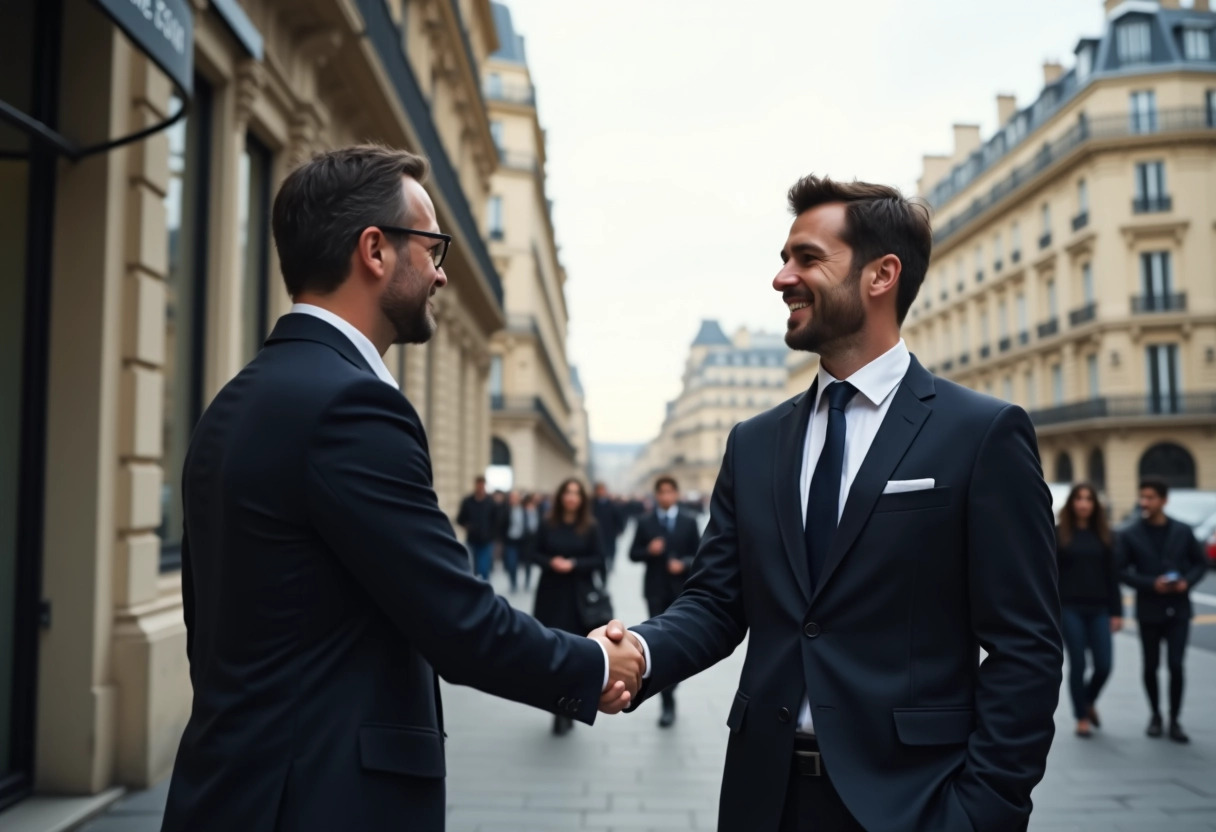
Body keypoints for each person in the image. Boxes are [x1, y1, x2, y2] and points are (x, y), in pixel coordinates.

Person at [160, 145, 643, 832]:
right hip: (319, 800)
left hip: (235, 787)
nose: (443, 274)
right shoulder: (352, 408)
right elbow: (458, 621)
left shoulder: (236, 402)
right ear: (375, 251)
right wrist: (595, 664)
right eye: (433, 247)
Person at [598, 175, 1062, 832]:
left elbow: (1027, 646)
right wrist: (638, 652)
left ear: (882, 275)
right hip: (765, 798)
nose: (782, 278)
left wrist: (985, 810)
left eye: (807, 258)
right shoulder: (754, 442)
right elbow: (715, 603)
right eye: (785, 258)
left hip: (915, 802)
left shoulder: (981, 434)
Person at [1117, 478, 1208, 744]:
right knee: (1151, 665)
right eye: (1142, 497)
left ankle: (1175, 718)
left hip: (1178, 608)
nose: (1145, 502)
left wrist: (1185, 582)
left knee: (1177, 665)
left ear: (1164, 500)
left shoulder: (1182, 530)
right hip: (1149, 608)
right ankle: (1155, 715)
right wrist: (1150, 584)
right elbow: (1121, 571)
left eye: (1150, 497)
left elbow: (1199, 564)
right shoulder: (1131, 533)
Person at [533, 478, 608, 735]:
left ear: (582, 499)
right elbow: (533, 553)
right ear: (561, 496)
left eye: (576, 493)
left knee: (574, 654)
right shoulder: (547, 523)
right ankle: (556, 709)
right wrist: (550, 562)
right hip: (551, 596)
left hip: (578, 599)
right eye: (568, 492)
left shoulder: (591, 526)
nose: (572, 497)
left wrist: (574, 564)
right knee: (551, 652)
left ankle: (569, 706)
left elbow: (599, 559)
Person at [628, 475, 701, 728]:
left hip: (682, 591)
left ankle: (670, 691)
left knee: (677, 645)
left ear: (676, 494)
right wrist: (649, 550)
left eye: (670, 492)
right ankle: (667, 700)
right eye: (662, 492)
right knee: (659, 643)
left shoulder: (689, 522)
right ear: (657, 495)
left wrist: (683, 563)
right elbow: (632, 554)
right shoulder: (646, 522)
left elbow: (701, 556)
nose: (666, 496)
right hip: (655, 590)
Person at [1055, 483, 1122, 738]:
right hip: (1069, 608)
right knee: (1079, 664)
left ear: (1095, 505)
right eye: (1079, 498)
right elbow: (1050, 576)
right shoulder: (1059, 533)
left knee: (1104, 665)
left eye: (1088, 499)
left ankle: (1088, 700)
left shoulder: (1105, 535)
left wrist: (1117, 613)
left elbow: (1112, 577)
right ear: (1072, 503)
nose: (1083, 503)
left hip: (1100, 609)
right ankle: (1081, 717)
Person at [457, 476, 497, 579]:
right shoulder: (467, 501)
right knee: (473, 567)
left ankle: (484, 587)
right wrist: (467, 526)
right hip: (472, 540)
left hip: (486, 540)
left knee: (483, 568)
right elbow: (460, 519)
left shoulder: (490, 502)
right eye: (478, 485)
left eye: (482, 485)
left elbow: (496, 520)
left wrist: (492, 534)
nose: (480, 488)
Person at [592, 482, 625, 571]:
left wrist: (620, 529)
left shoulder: (612, 504)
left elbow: (618, 518)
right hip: (596, 533)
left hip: (610, 532)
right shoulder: (592, 504)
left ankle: (610, 563)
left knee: (611, 550)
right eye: (599, 490)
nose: (601, 492)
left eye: (602, 490)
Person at [501, 490, 527, 592]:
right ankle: (513, 582)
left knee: (524, 563)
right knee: (511, 563)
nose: (514, 499)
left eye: (515, 497)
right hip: (510, 541)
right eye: (512, 497)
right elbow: (501, 524)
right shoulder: (506, 510)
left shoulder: (524, 510)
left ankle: (526, 581)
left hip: (522, 541)